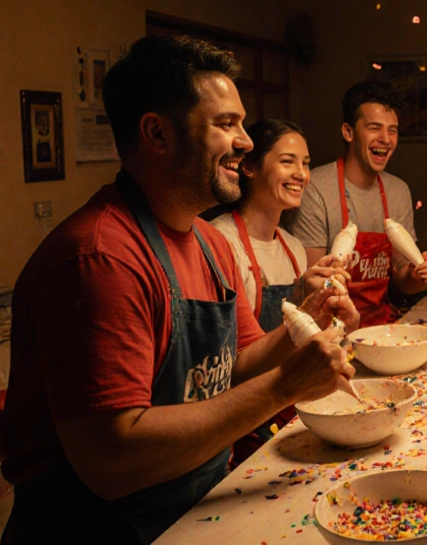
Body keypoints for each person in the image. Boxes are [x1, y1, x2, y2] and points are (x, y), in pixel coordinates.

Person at [1, 36, 356, 543]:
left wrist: (310, 319)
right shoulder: (100, 259)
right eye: (225, 124)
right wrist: (286, 386)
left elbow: (240, 362)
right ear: (157, 133)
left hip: (195, 510)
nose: (246, 142)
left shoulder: (210, 243)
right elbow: (111, 461)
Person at [209, 119, 357, 464]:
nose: (301, 174)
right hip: (246, 422)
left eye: (305, 163)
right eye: (288, 161)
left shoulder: (293, 247)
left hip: (293, 407)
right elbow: (232, 364)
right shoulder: (221, 242)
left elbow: (302, 341)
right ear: (249, 167)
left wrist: (334, 317)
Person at [293, 81, 427, 327]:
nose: (385, 139)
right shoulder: (316, 188)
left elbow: (401, 280)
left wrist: (418, 276)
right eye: (374, 128)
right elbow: (311, 286)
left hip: (383, 327)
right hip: (330, 330)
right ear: (348, 132)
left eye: (392, 130)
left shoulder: (398, 191)